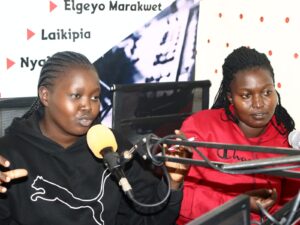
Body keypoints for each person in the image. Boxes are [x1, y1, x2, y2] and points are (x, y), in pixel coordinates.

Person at [0, 51, 189, 225]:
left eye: (95, 97)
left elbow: (146, 219)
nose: (88, 107)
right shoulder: (9, 154)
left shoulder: (110, 144)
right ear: (45, 96)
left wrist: (172, 184)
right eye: (76, 96)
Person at [176, 46, 299, 224]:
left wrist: (275, 214)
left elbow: (293, 204)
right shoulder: (200, 127)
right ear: (230, 97)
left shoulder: (285, 137)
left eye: (267, 92)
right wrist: (238, 204)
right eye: (246, 95)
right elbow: (178, 197)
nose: (258, 104)